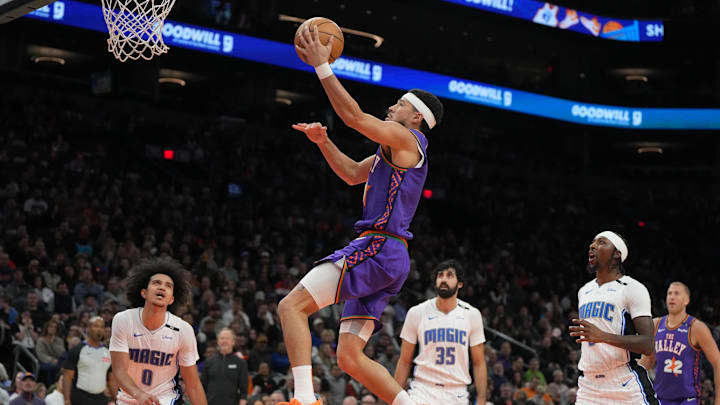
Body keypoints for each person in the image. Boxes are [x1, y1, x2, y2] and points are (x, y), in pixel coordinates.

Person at [279, 23, 444, 405]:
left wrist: (323, 66)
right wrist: (323, 142)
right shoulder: (394, 150)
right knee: (350, 358)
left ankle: (304, 399)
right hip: (390, 257)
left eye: (399, 104)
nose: (391, 107)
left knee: (291, 306)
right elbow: (354, 174)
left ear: (416, 117)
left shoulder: (409, 139)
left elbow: (354, 117)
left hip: (379, 248)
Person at [568, 231, 659, 404]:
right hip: (589, 386)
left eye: (601, 242)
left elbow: (647, 344)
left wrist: (603, 336)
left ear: (617, 254)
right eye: (593, 242)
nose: (592, 246)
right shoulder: (584, 291)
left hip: (623, 384)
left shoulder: (632, 288)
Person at [109, 257, 208, 405]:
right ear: (144, 293)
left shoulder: (183, 330)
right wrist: (139, 394)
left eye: (168, 286)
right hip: (130, 398)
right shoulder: (124, 320)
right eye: (156, 283)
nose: (162, 287)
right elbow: (119, 371)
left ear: (171, 299)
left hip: (167, 399)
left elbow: (193, 385)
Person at [393, 260, 486, 405]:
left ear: (460, 283)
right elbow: (404, 360)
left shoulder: (472, 315)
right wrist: (395, 397)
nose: (444, 279)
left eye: (450, 275)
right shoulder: (417, 312)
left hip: (457, 392)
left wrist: (481, 399)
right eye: (440, 275)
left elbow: (479, 362)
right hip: (422, 390)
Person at [638, 281, 720, 405]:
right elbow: (646, 363)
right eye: (669, 293)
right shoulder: (655, 324)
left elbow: (717, 362)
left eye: (677, 293)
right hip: (659, 398)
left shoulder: (696, 328)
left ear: (686, 300)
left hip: (687, 399)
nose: (672, 296)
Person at [62, 316, 115, 405]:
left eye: (102, 327)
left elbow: (112, 380)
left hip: (101, 399)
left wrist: (116, 399)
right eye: (96, 326)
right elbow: (67, 377)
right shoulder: (77, 350)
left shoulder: (108, 352)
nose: (99, 329)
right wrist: (67, 400)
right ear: (89, 328)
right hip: (80, 397)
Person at [200, 328, 249, 405]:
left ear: (233, 342)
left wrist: (243, 402)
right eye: (222, 338)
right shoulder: (209, 362)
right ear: (218, 341)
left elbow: (244, 389)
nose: (224, 341)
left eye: (227, 338)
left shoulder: (240, 363)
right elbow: (202, 386)